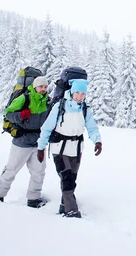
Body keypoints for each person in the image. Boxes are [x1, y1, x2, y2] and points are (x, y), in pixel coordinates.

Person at [37, 78, 102, 218]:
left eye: (83, 94)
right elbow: (47, 128)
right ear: (72, 92)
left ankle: (63, 205)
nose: (80, 96)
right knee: (66, 178)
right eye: (77, 92)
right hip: (59, 148)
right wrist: (41, 148)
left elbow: (92, 128)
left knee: (72, 178)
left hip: (77, 148)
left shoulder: (85, 109)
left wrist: (97, 141)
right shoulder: (60, 107)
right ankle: (71, 211)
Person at [0, 76, 50, 208]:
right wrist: (21, 116)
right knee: (11, 169)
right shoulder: (25, 98)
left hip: (39, 142)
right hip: (22, 141)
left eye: (45, 87)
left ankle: (34, 199)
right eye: (41, 87)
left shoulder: (48, 101)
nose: (43, 89)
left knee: (39, 172)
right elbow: (7, 113)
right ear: (34, 87)